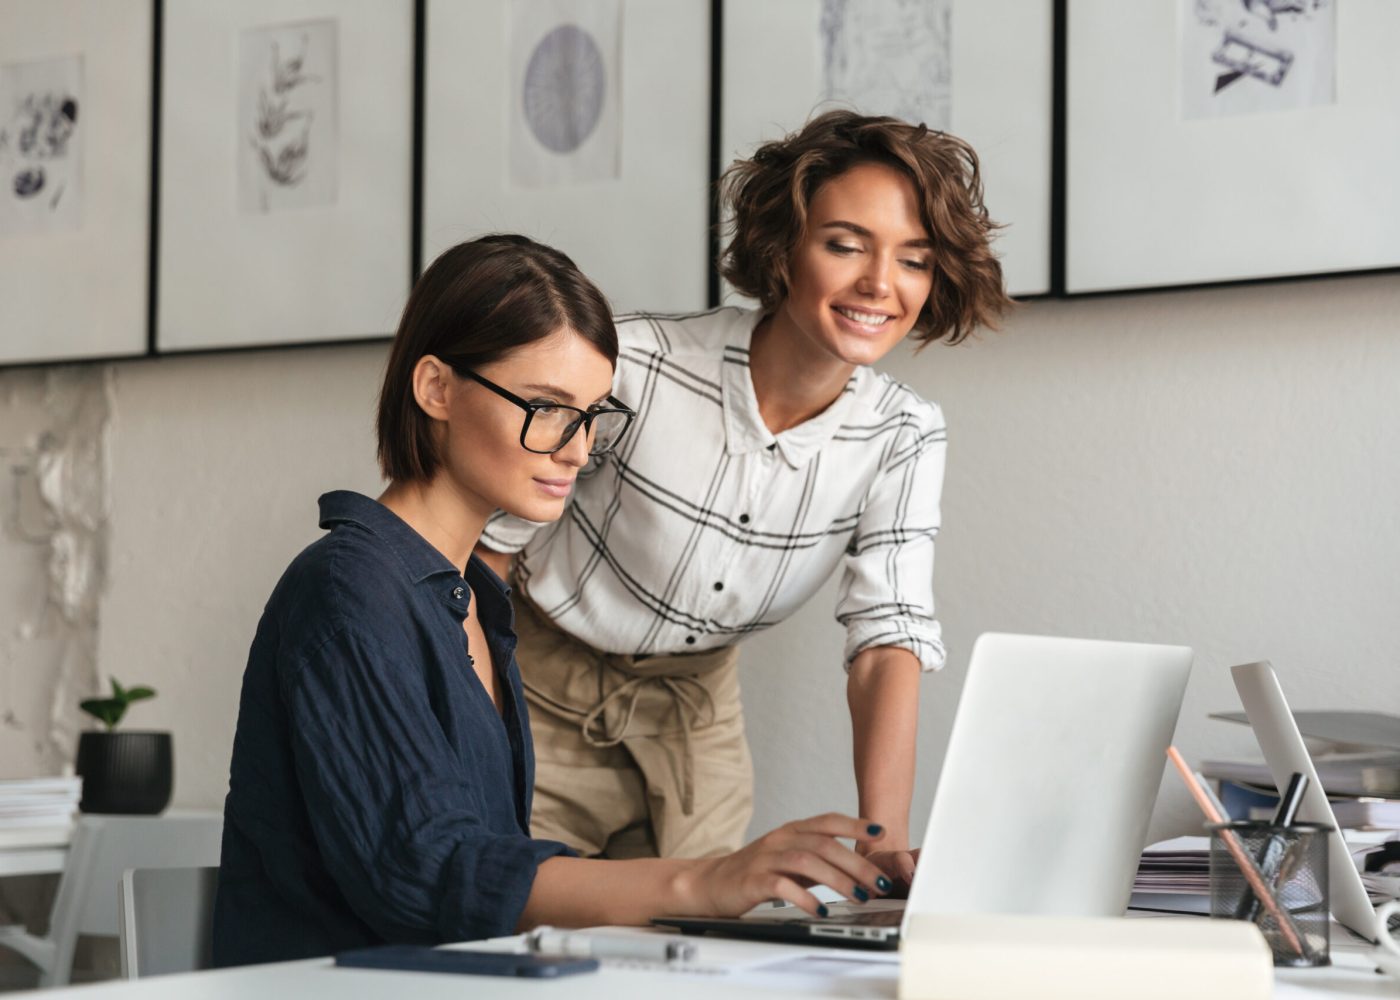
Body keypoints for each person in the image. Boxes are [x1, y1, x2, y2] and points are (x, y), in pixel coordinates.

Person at [211, 234, 892, 967]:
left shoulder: (473, 598)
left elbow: (482, 860)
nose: (577, 449)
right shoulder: (348, 592)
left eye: (594, 415)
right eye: (547, 407)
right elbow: (426, 869)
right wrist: (703, 881)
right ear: (436, 387)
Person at [477, 111, 1013, 887]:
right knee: (501, 922)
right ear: (783, 247)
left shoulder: (905, 433)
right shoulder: (637, 365)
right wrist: (464, 718)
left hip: (697, 722)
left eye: (914, 259)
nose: (879, 284)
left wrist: (882, 842)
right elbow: (484, 547)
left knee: (685, 951)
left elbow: (887, 638)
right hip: (534, 690)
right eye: (844, 244)